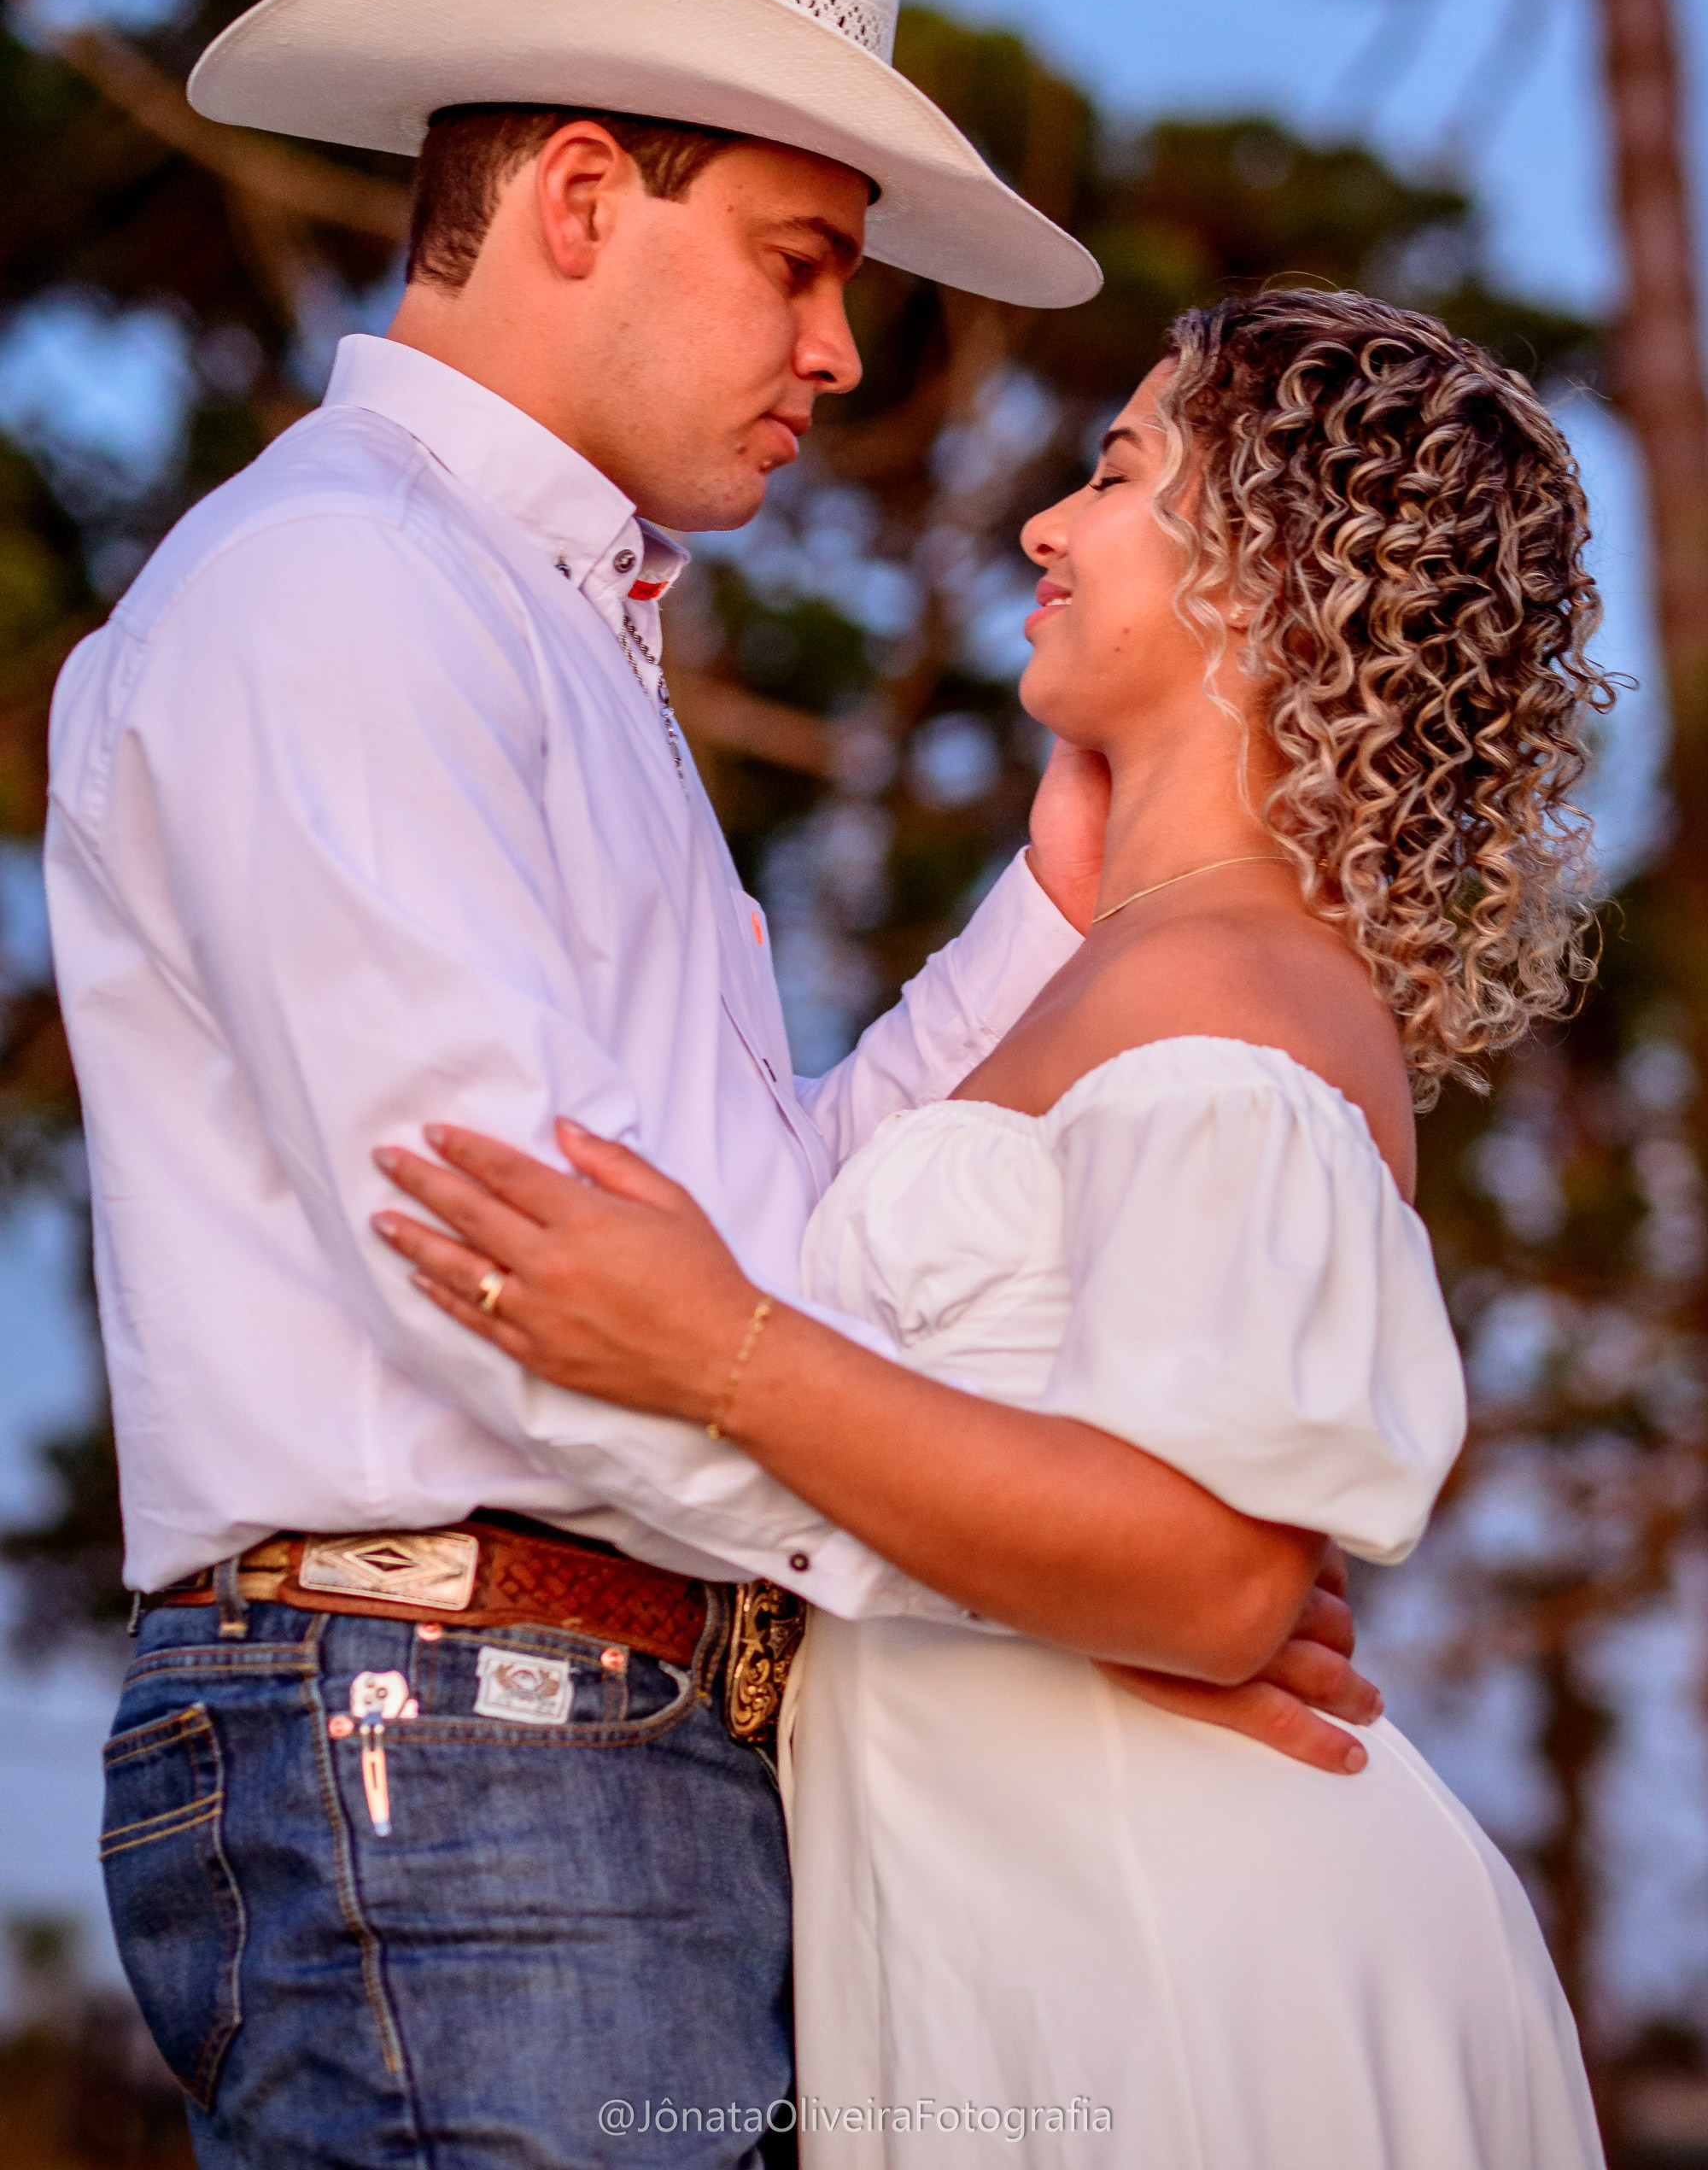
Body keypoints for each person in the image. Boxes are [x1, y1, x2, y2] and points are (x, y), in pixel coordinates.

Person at [48, 0, 1369, 2170]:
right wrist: (1096, 1594)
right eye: (802, 260)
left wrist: (1055, 899)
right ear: (579, 197)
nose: (844, 352)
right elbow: (528, 1296)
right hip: (456, 1745)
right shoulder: (344, 594)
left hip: (568, 1747)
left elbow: (729, 1270)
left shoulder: (536, 630)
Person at [374, 288, 1611, 2168]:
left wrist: (718, 1351)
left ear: (1269, 574)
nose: (1046, 523)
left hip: (1169, 1952)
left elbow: (1211, 1577)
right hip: (1030, 1931)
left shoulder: (1231, 986)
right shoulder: (1134, 963)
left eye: (1115, 472)